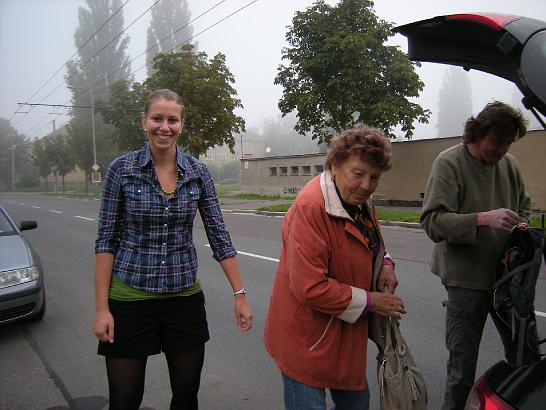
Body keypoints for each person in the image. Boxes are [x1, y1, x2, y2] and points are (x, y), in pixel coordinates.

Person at [93, 88, 253, 410]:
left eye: (172, 119)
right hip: (130, 299)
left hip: (183, 301)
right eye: (157, 118)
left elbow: (219, 235)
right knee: (124, 399)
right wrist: (101, 309)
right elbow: (106, 241)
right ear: (144, 121)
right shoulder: (120, 171)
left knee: (186, 395)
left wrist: (240, 294)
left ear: (181, 124)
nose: (164, 127)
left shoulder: (198, 173)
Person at [263, 125, 407, 410]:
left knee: (357, 403)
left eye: (374, 178)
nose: (366, 185)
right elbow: (310, 288)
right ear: (334, 165)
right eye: (358, 174)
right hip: (306, 339)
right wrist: (372, 301)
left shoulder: (362, 203)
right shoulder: (311, 207)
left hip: (344, 336)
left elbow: (374, 243)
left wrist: (386, 265)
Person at [420, 101, 538, 410]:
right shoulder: (449, 163)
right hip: (466, 281)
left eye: (508, 143)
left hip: (508, 282)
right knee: (462, 370)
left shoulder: (510, 164)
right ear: (477, 133)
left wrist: (523, 226)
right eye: (497, 142)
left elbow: (524, 210)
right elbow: (432, 222)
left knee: (525, 358)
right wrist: (482, 219)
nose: (502, 150)